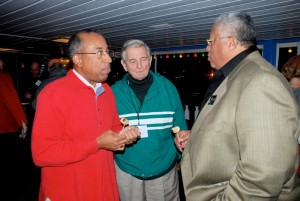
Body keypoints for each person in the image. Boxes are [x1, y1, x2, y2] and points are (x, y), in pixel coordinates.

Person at [175, 11, 300, 200]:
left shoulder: (261, 80)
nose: (206, 48)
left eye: (210, 42)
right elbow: (235, 128)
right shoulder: (238, 75)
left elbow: (263, 178)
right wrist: (198, 136)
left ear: (231, 42)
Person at [31, 29, 141, 201]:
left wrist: (124, 134)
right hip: (69, 191)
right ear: (78, 59)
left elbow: (113, 128)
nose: (108, 58)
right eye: (99, 53)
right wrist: (96, 143)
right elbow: (42, 154)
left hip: (103, 188)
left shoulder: (106, 90)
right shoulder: (53, 93)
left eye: (107, 51)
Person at [112, 39, 188, 201]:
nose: (139, 66)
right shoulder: (112, 93)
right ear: (124, 65)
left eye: (143, 59)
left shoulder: (168, 87)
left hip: (163, 171)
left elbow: (181, 127)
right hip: (127, 171)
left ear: (150, 60)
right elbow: (106, 133)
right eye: (132, 61)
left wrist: (181, 145)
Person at [0, 67, 28, 200]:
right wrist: (21, 121)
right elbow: (10, 98)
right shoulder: (2, 76)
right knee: (9, 171)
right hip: (4, 129)